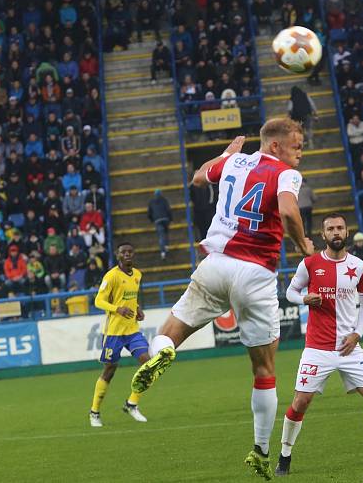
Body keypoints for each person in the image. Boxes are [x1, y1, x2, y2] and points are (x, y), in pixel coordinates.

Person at [130, 122, 315, 481]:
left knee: (171, 329)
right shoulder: (287, 173)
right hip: (255, 273)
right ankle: (261, 451)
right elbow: (290, 212)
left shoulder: (234, 162)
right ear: (276, 146)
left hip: (214, 265)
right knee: (264, 369)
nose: (300, 152)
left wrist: (227, 153)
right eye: (296, 145)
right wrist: (301, 244)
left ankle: (162, 352)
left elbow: (198, 178)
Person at [276, 214, 363, 476]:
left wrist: (357, 334)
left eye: (340, 228)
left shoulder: (359, 266)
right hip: (317, 348)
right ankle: (284, 458)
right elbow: (289, 292)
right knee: (301, 401)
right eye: (330, 229)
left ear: (347, 233)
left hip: (349, 347)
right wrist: (304, 299)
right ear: (323, 235)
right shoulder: (309, 264)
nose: (336, 232)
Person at [89, 242, 149, 428]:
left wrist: (137, 308)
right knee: (109, 371)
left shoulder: (137, 275)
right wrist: (117, 309)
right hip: (114, 333)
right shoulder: (112, 276)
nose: (127, 254)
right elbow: (98, 300)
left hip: (132, 330)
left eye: (130, 252)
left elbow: (132, 297)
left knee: (149, 364)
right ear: (118, 255)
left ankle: (132, 404)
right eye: (124, 252)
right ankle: (94, 412)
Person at [147, 189, 172, 259]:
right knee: (166, 232)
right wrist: (170, 218)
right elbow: (168, 209)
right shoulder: (165, 200)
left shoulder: (151, 202)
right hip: (165, 219)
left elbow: (149, 213)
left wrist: (152, 220)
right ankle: (166, 246)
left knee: (161, 236)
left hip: (157, 220)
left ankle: (163, 252)